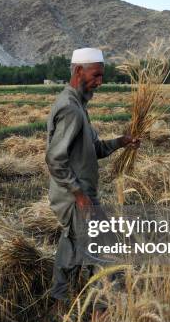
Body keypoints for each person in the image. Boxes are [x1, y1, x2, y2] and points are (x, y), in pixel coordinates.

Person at [45, 47, 140, 303]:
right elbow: (55, 159)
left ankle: (60, 299)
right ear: (78, 71)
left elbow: (93, 149)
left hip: (79, 194)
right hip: (75, 196)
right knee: (104, 251)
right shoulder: (70, 109)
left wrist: (121, 142)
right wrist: (79, 194)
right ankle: (101, 308)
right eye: (96, 75)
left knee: (72, 243)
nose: (101, 82)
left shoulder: (78, 106)